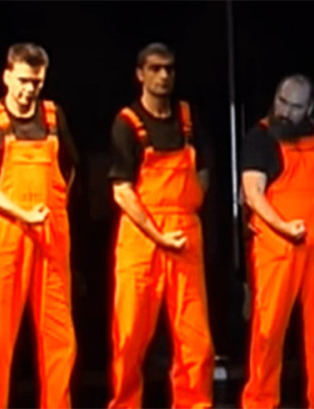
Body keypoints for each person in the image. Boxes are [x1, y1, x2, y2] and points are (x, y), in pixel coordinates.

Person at [0, 42, 79, 408]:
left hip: (49, 233)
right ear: (7, 76)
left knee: (59, 338)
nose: (30, 89)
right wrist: (22, 213)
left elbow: (70, 168)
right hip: (5, 235)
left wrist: (55, 203)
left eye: (37, 82)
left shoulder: (52, 116)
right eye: (24, 80)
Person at [107, 42, 214, 409]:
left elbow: (204, 169)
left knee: (195, 339)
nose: (163, 75)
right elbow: (122, 191)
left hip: (184, 231)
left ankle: (194, 404)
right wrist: (158, 235)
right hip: (142, 236)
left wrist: (191, 202)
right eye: (155, 69)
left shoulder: (188, 117)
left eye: (169, 68)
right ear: (140, 74)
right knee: (130, 335)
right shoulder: (127, 123)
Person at [241, 74, 314, 409]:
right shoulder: (260, 137)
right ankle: (260, 401)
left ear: (310, 108)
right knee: (269, 328)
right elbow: (253, 193)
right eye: (282, 102)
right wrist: (283, 226)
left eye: (296, 106)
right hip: (279, 244)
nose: (285, 112)